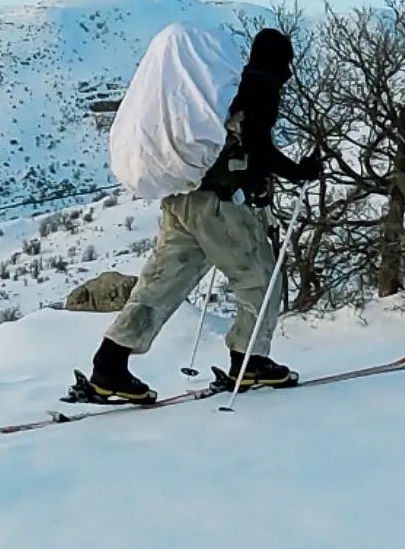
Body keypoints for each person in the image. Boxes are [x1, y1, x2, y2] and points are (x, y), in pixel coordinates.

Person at [85, 28, 321, 404]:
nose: (289, 72)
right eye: (287, 62)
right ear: (279, 60)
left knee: (160, 285)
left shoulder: (223, 89)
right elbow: (257, 146)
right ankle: (250, 362)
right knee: (260, 278)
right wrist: (299, 171)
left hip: (181, 197)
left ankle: (109, 364)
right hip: (220, 205)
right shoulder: (261, 87)